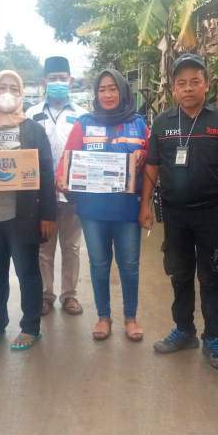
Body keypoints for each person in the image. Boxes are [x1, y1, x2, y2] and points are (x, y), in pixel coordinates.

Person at [139, 53, 218, 370]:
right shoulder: (162, 123)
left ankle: (213, 338)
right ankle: (184, 330)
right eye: (182, 83)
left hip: (213, 213)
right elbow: (152, 167)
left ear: (207, 85)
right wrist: (144, 204)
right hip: (175, 215)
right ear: (173, 88)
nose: (188, 88)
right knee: (180, 274)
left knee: (211, 277)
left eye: (195, 82)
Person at [0, 70, 57, 351]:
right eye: (1, 86)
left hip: (23, 217)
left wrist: (48, 215)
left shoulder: (31, 130)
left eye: (13, 87)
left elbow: (46, 173)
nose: (7, 91)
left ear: (21, 93)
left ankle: (30, 327)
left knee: (27, 273)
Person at [56, 69, 148, 341]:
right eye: (102, 89)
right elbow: (67, 159)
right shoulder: (84, 124)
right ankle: (103, 317)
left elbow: (154, 163)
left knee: (129, 265)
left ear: (123, 91)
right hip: (93, 211)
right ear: (96, 94)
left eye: (113, 89)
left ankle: (130, 318)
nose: (107, 94)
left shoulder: (139, 124)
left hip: (128, 210)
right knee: (99, 264)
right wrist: (61, 177)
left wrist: (145, 156)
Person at [25, 56, 85, 316]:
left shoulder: (82, 115)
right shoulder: (31, 113)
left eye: (62, 78)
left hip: (72, 193)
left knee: (71, 247)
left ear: (70, 81)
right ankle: (45, 295)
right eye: (53, 79)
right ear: (44, 82)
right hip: (40, 195)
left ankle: (69, 295)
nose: (58, 82)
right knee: (43, 248)